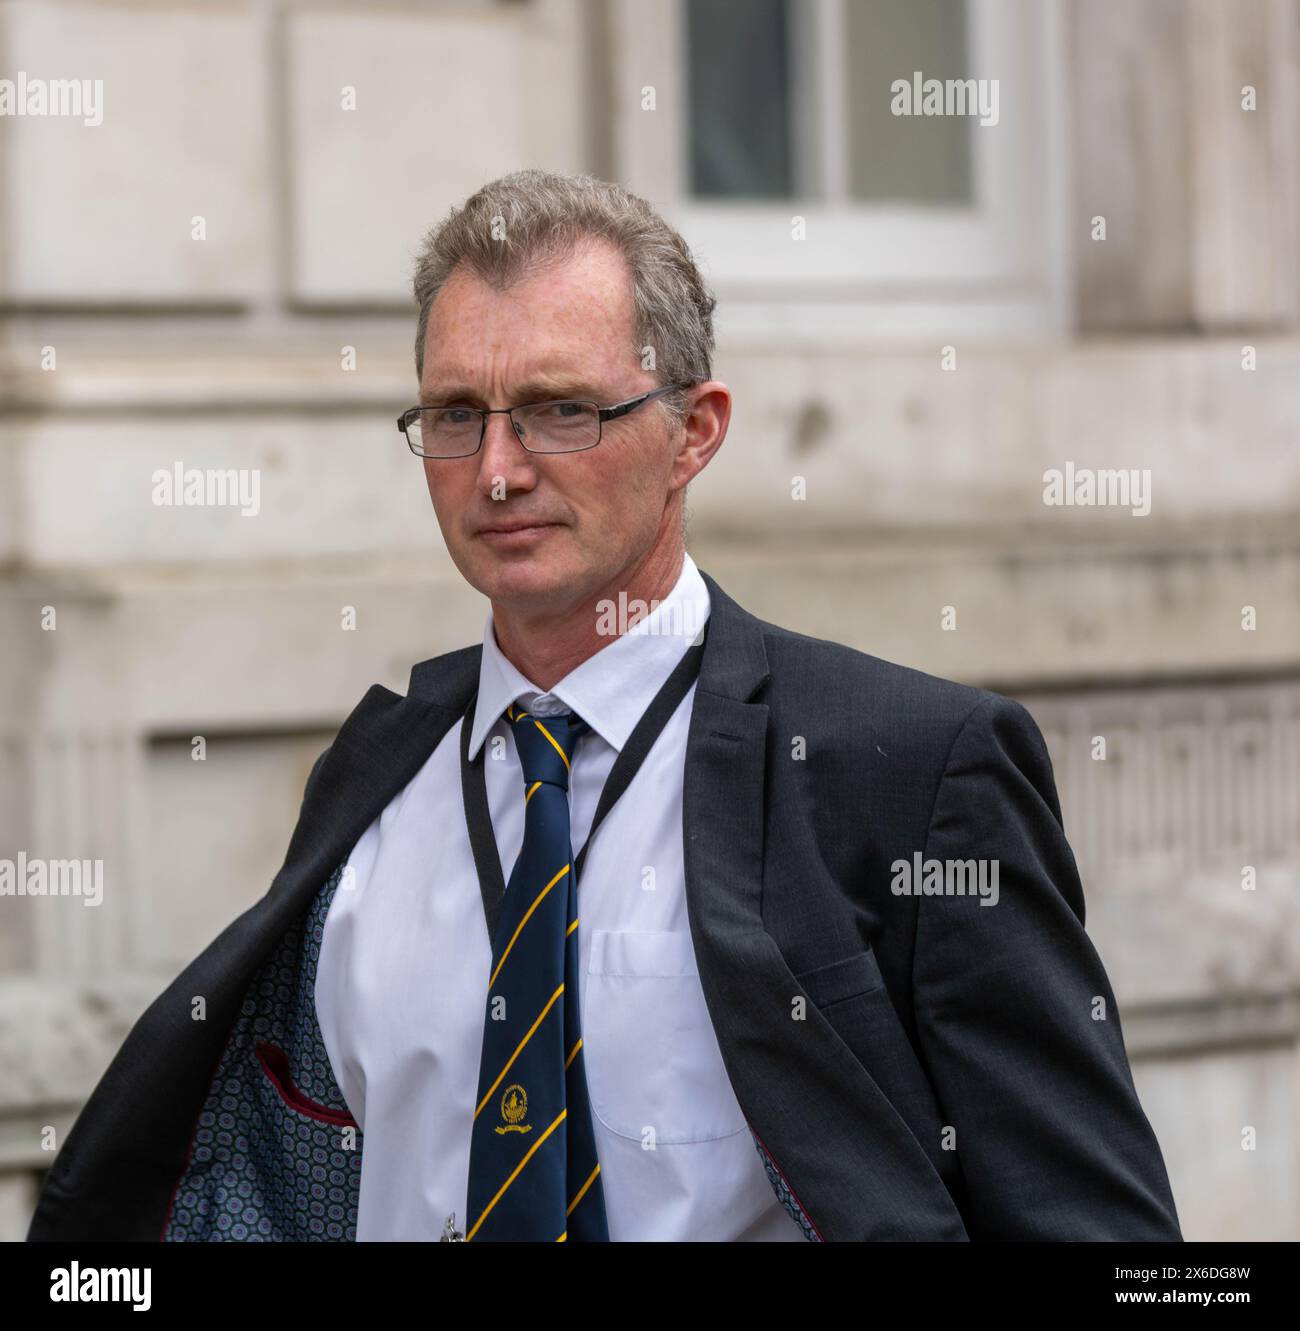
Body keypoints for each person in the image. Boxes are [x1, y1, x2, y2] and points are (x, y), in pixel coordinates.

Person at [28, 169, 1181, 1243]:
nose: (497, 468)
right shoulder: (374, 775)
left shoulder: (911, 771)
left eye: (559, 409)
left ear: (696, 429)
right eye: (454, 414)